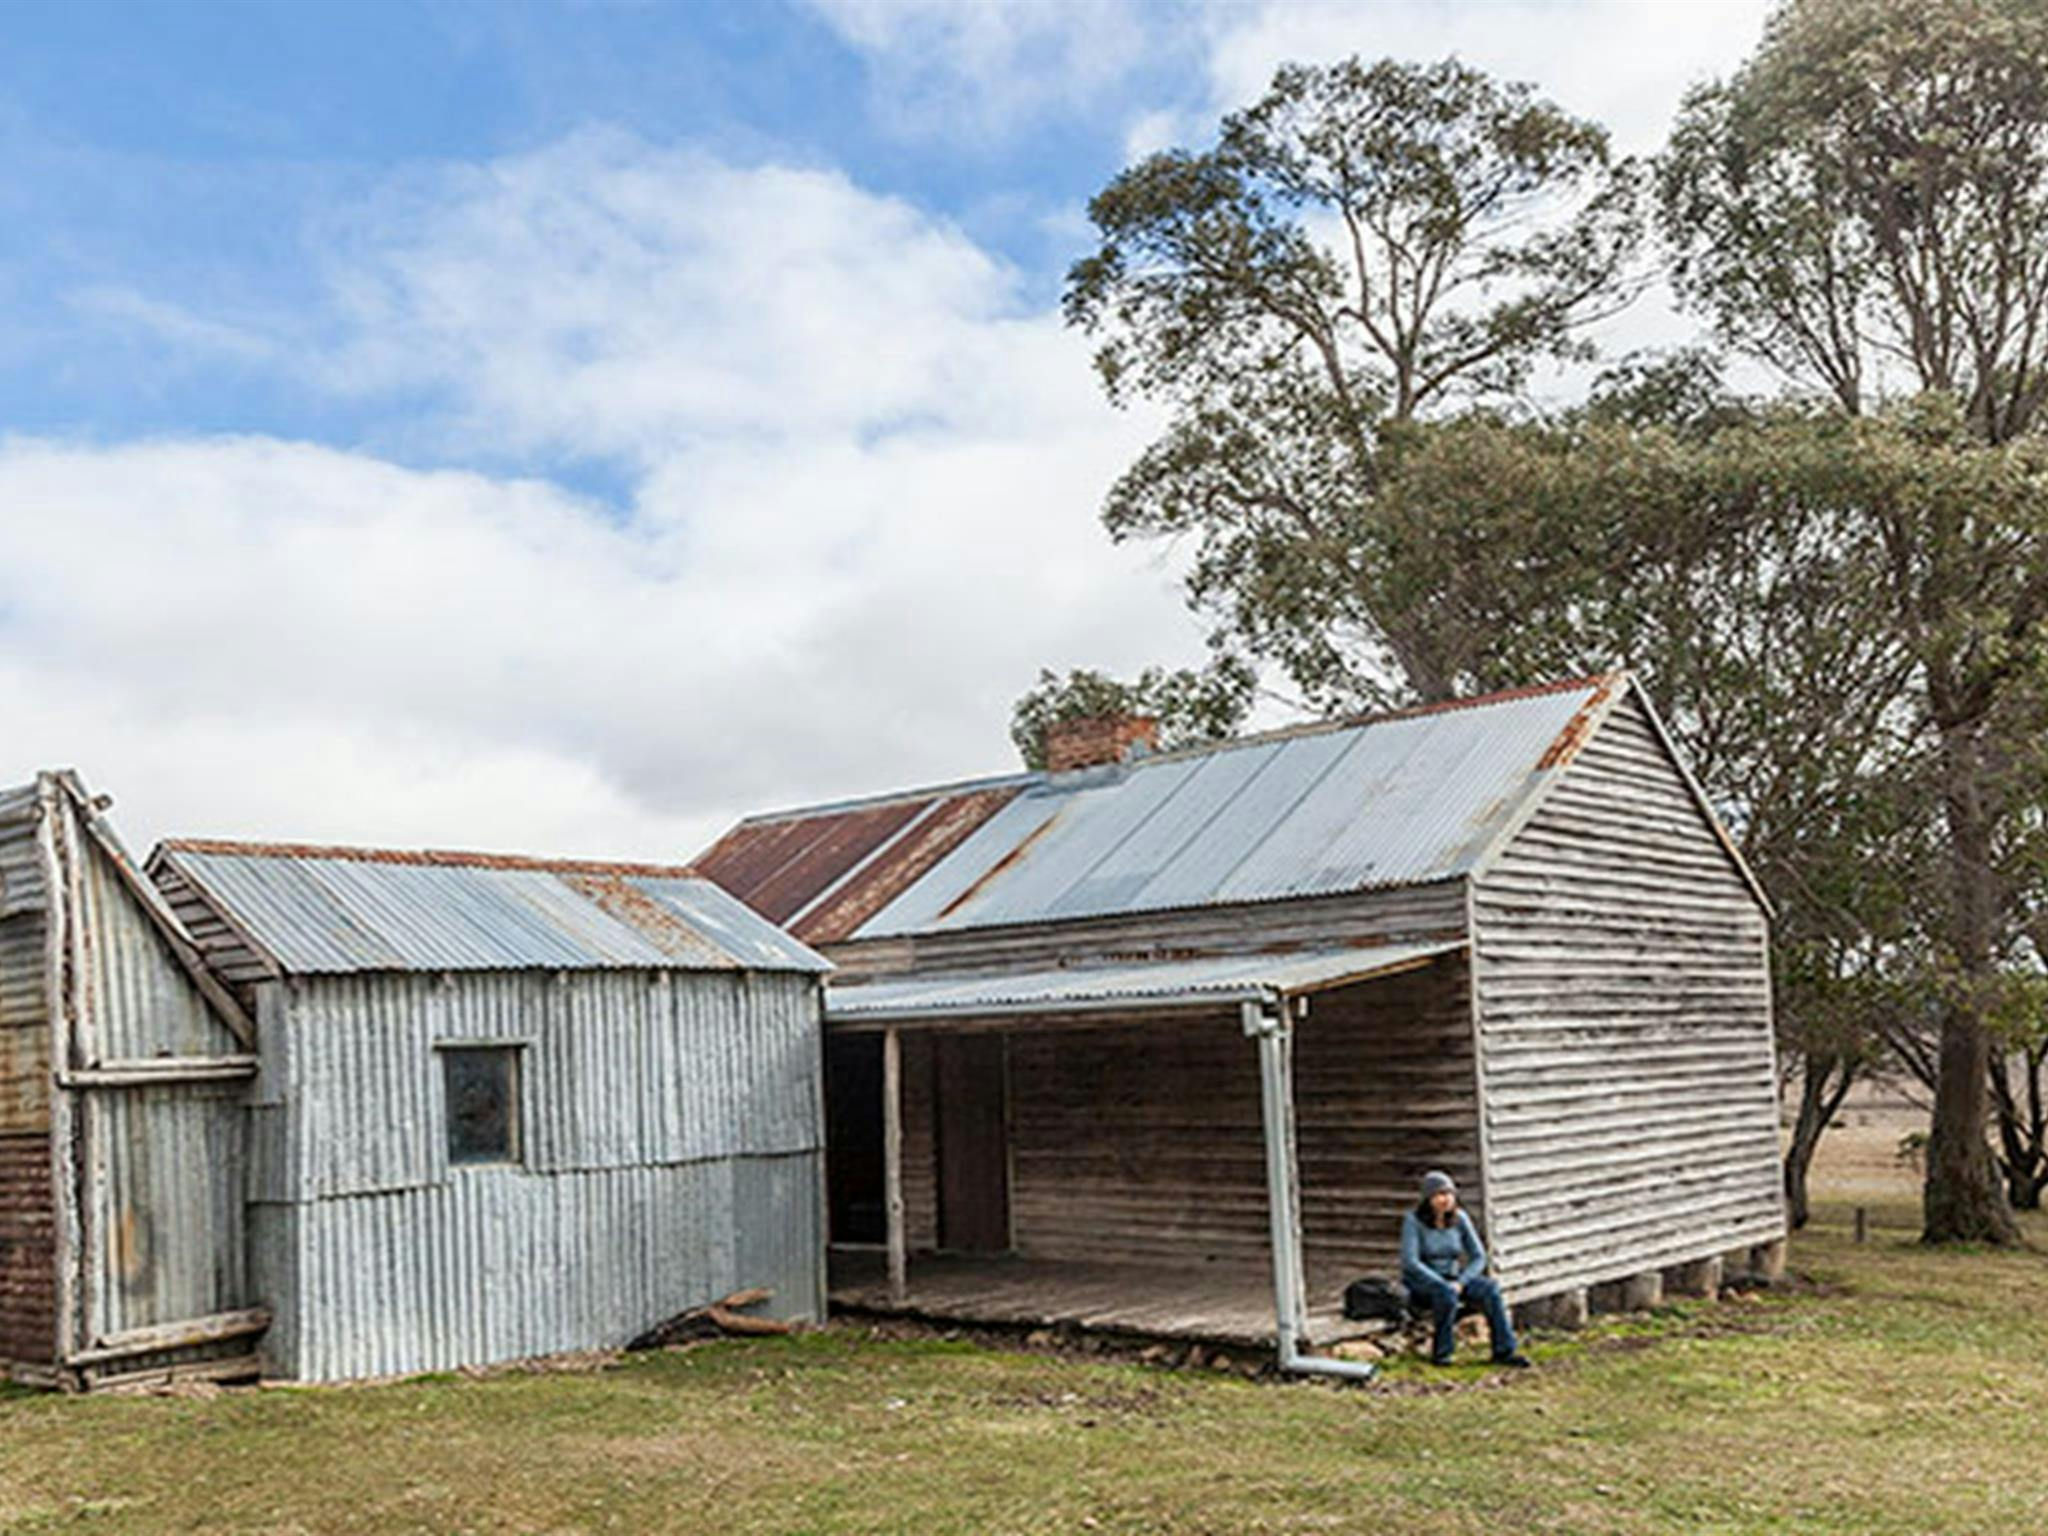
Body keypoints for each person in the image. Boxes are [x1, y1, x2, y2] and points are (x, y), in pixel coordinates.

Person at [1399, 1170, 1532, 1368]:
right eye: (1439, 1195)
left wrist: (1461, 1282)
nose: (1445, 1199)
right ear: (1428, 1198)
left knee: (1490, 1289)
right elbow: (1410, 1261)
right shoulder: (1413, 1221)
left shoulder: (1460, 1218)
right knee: (1445, 1294)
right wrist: (1442, 1283)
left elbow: (1479, 1256)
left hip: (1454, 1278)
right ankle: (1442, 1354)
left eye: (1449, 1194)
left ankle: (1504, 1350)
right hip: (1424, 1281)